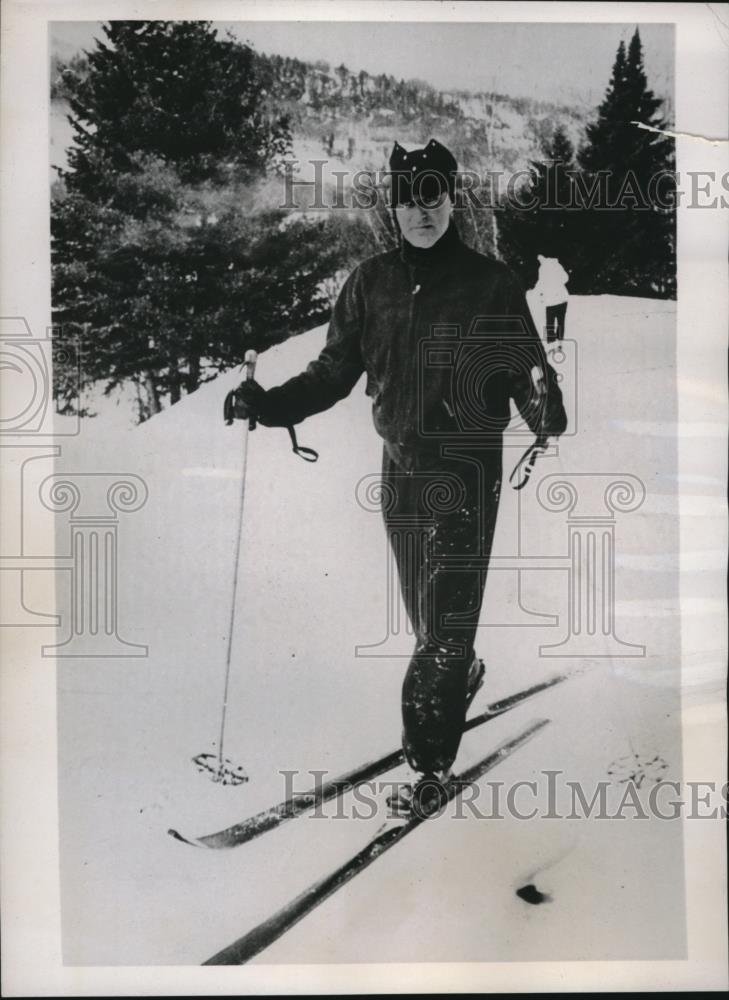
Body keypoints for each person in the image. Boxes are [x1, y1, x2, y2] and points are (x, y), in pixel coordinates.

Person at [229, 139, 567, 813]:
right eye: (409, 198)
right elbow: (332, 372)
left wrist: (542, 406)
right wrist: (268, 406)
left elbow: (523, 369)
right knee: (428, 615)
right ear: (394, 204)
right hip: (401, 469)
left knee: (441, 623)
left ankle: (430, 765)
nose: (421, 210)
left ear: (451, 200)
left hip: (467, 470)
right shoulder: (370, 282)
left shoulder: (490, 283)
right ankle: (459, 670)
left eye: (433, 195)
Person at [535, 254, 569, 344]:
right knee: (561, 322)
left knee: (550, 324)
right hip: (562, 299)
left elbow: (541, 284)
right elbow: (566, 278)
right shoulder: (557, 265)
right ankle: (560, 343)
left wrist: (539, 293)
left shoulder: (542, 268)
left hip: (550, 301)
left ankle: (551, 345)